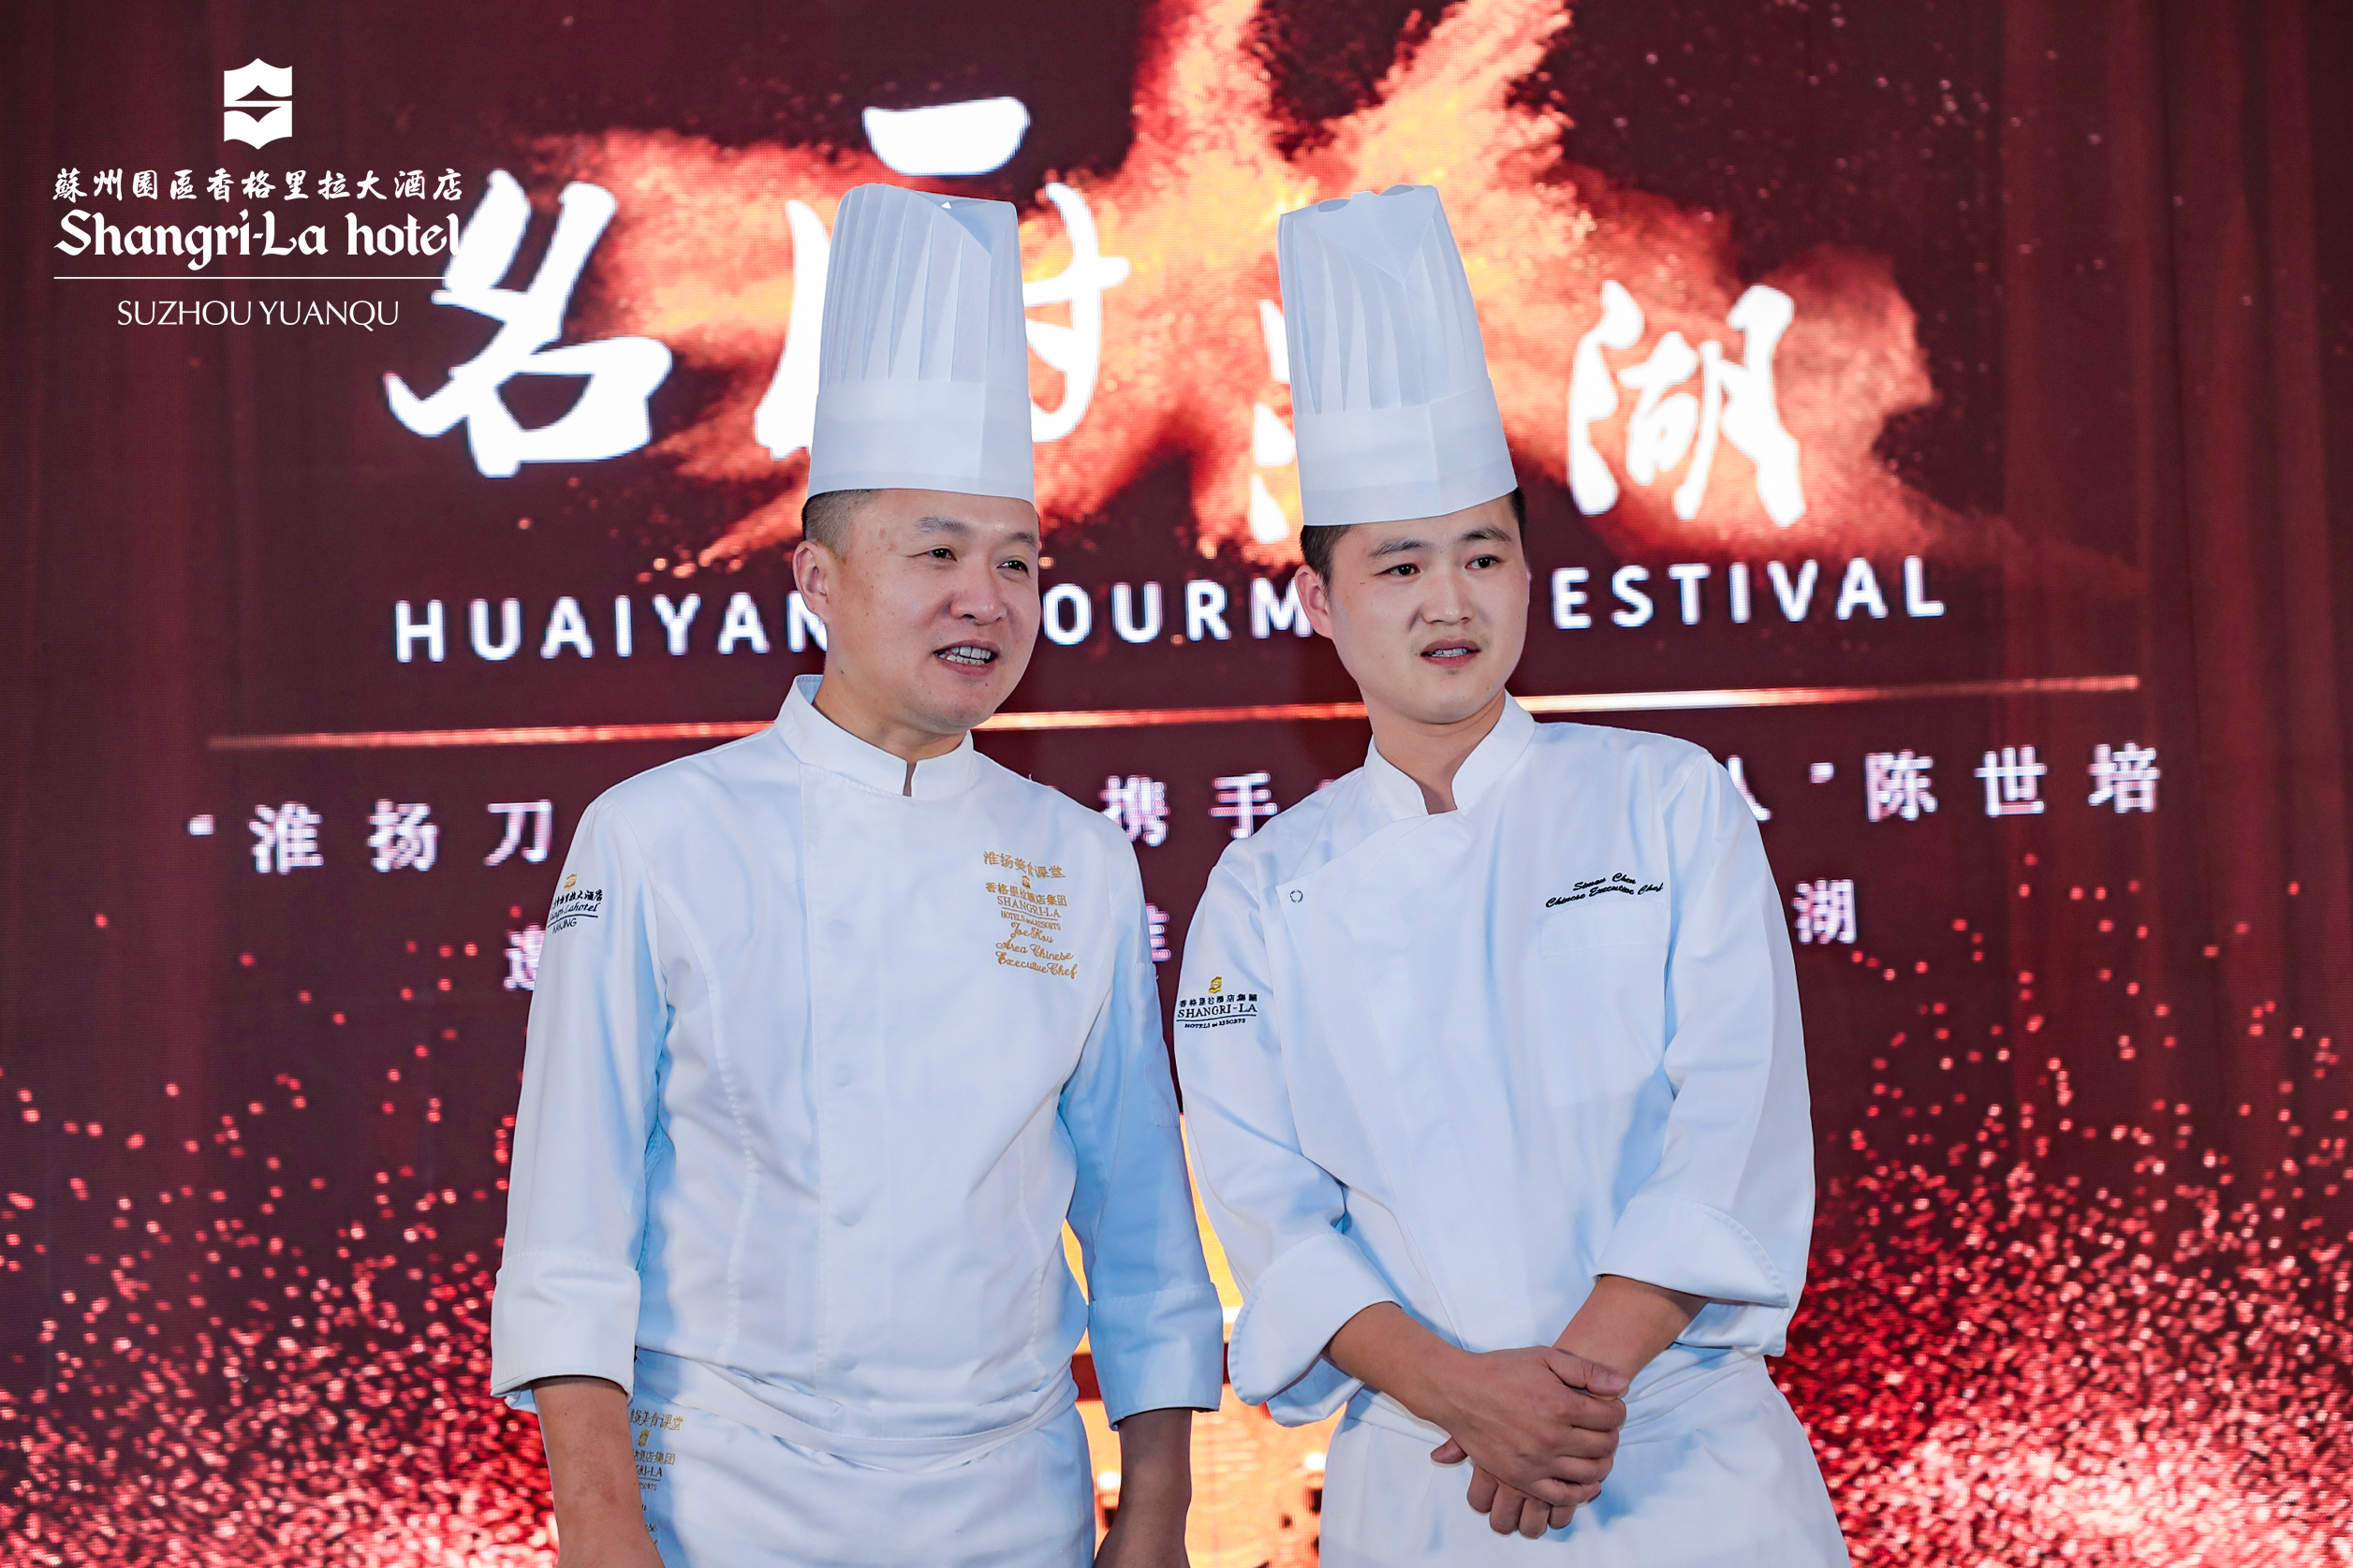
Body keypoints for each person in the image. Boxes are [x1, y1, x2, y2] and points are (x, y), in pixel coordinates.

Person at [490, 183, 1226, 1568]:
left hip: (1010, 1497)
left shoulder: (1075, 855)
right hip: (727, 1491)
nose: (984, 596)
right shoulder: (656, 835)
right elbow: (572, 1215)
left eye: (1017, 562)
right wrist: (597, 1524)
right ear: (818, 581)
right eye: (935, 551)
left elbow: (1138, 1213)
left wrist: (1158, 1513)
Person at [1172, 183, 1848, 1565]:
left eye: (1483, 555)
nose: (1449, 600)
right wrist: (1467, 1395)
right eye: (1400, 566)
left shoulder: (1665, 799)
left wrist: (1569, 1396)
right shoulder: (1260, 890)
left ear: (1528, 575)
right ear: (1319, 602)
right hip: (1427, 1475)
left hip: (1682, 1457)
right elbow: (1266, 1207)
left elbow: (1731, 1112)